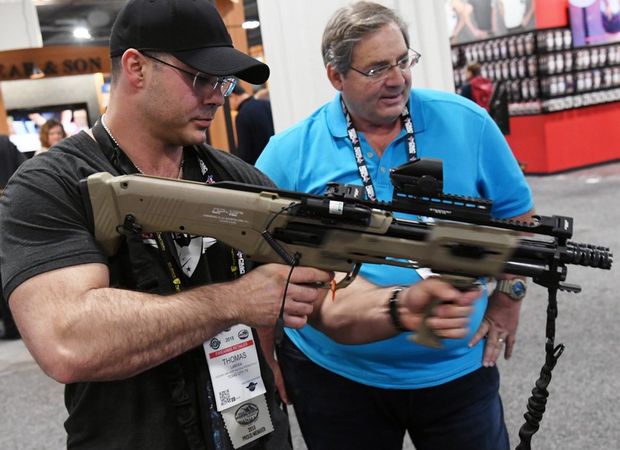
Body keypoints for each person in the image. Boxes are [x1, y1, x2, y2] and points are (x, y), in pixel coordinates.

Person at [0, 1, 334, 449]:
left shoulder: (242, 181)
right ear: (136, 67)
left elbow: (299, 292)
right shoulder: (51, 185)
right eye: (200, 78)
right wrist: (234, 301)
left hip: (251, 429)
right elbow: (66, 342)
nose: (217, 96)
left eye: (223, 81)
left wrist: (398, 304)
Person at [256, 2, 535, 450]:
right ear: (336, 76)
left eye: (404, 60)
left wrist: (508, 299)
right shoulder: (287, 154)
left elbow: (517, 221)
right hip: (333, 374)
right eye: (377, 68)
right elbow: (261, 261)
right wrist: (264, 354)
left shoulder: (468, 124)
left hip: (454, 370)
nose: (398, 78)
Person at [0, 134, 26, 340]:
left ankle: (11, 325)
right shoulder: (4, 143)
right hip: (10, 215)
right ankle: (15, 325)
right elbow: (24, 171)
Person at [228, 84, 275, 165]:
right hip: (276, 158)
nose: (230, 107)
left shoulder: (242, 115)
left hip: (261, 166)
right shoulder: (266, 104)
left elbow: (245, 152)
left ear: (232, 96)